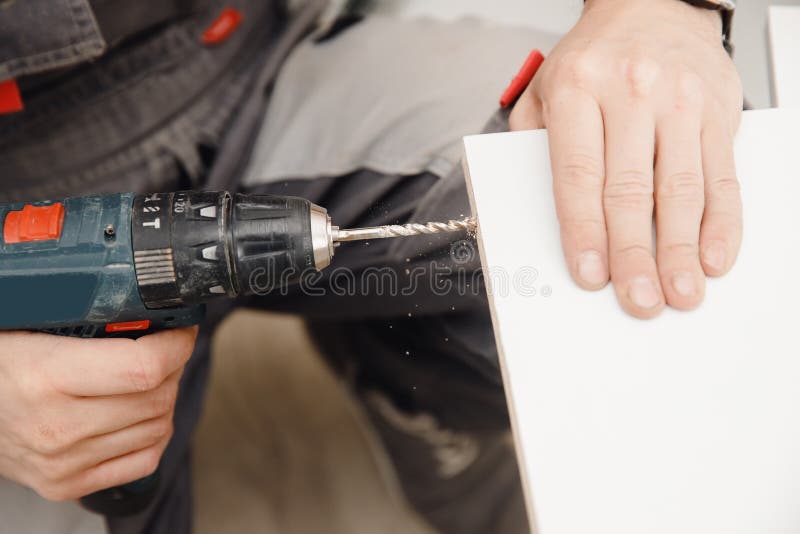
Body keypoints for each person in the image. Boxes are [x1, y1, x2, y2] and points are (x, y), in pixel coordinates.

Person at [0, 0, 742, 532]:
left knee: (606, 193)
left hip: (236, 45)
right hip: (22, 189)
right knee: (89, 472)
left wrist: (662, 8)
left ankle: (413, 387)